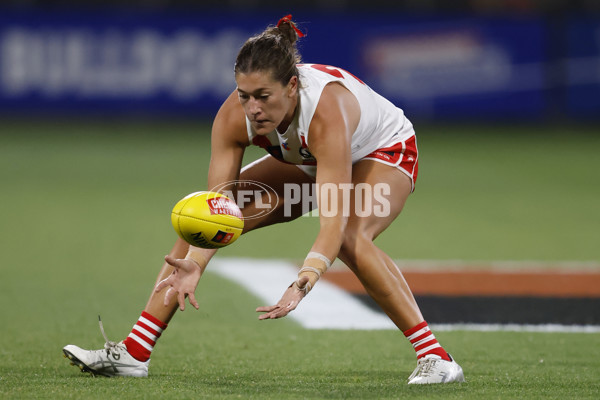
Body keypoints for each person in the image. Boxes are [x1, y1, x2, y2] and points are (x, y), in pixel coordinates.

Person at [63, 15, 464, 385]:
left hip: (382, 152)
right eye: (244, 95)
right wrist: (196, 262)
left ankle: (436, 357)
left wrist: (306, 277)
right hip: (311, 162)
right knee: (195, 223)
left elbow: (332, 222)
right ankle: (134, 352)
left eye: (263, 96)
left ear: (292, 86)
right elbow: (216, 210)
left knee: (349, 238)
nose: (253, 109)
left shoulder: (327, 113)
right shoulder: (232, 118)